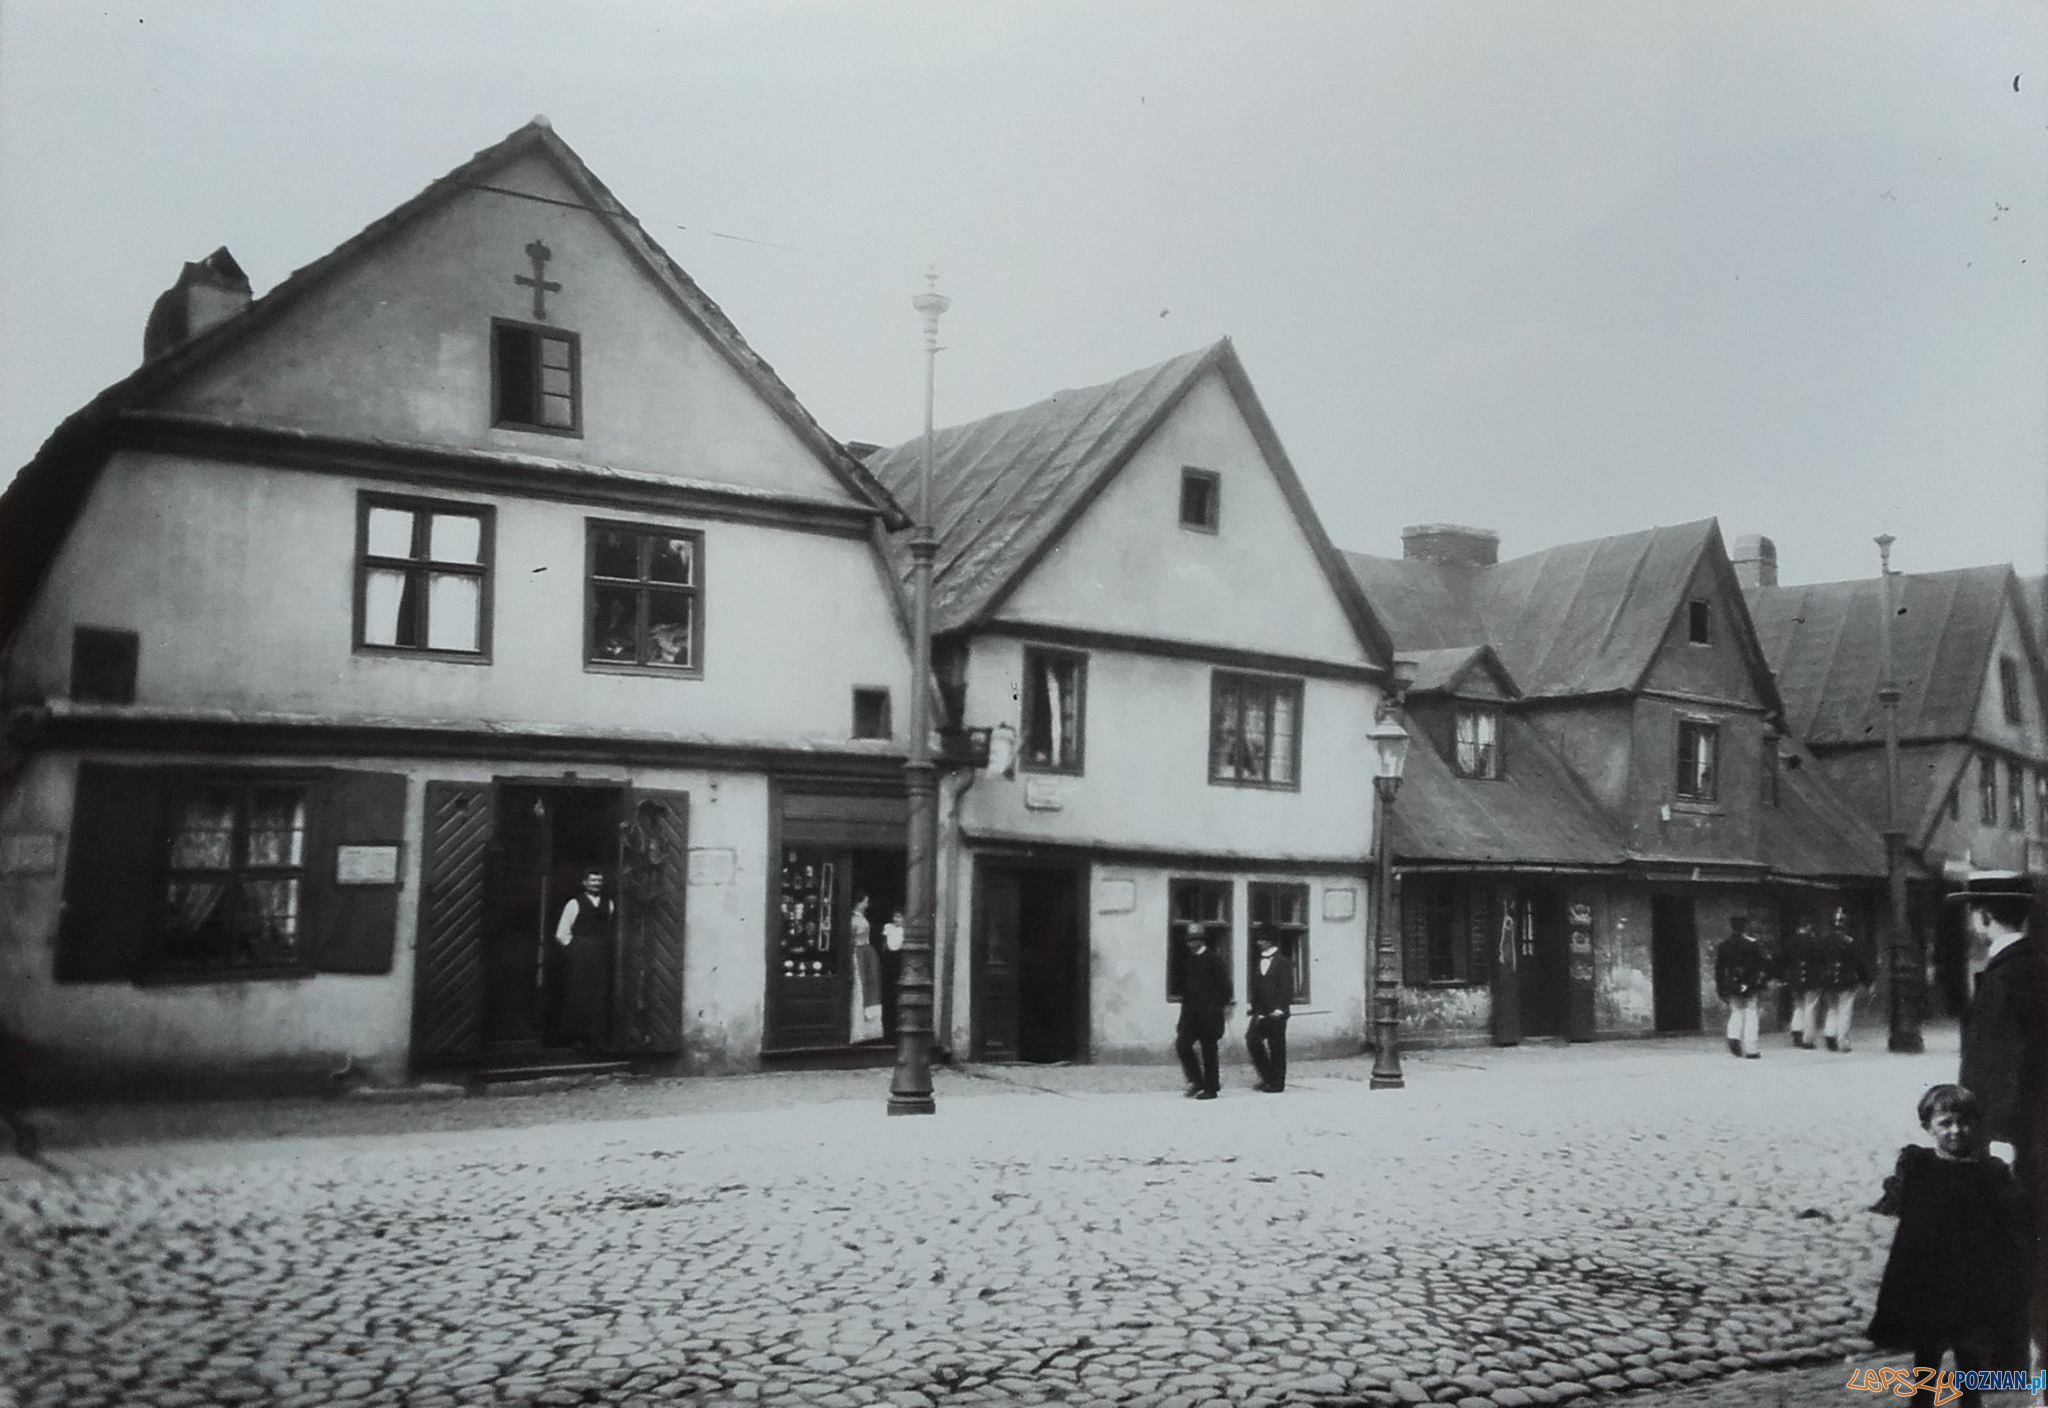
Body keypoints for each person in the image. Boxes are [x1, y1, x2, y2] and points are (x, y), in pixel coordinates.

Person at [1865, 1084, 2028, 1406]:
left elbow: (2009, 1222)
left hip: (1970, 1276)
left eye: (1965, 1122)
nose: (1956, 1130)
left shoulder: (1989, 1173)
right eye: (1945, 1123)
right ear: (1928, 1127)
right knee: (1927, 1347)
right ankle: (1922, 1401)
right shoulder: (1918, 1167)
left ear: (1978, 1125)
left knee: (1969, 1348)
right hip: (1928, 1275)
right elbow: (1898, 1208)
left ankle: (1971, 1401)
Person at [552, 867, 614, 1046]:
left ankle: (595, 1036)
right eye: (593, 881)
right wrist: (574, 949)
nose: (596, 884)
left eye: (599, 881)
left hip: (600, 953)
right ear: (585, 883)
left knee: (599, 993)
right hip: (579, 954)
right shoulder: (574, 904)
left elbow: (608, 927)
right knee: (578, 993)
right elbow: (562, 932)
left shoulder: (609, 904)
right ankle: (576, 1036)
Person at [1174, 924, 1231, 1100]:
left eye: (1195, 940)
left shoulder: (1214, 959)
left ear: (1202, 940)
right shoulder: (1189, 960)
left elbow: (1226, 989)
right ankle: (1196, 1080)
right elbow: (1186, 992)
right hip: (1191, 1015)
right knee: (1182, 1045)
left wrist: (1215, 1008)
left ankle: (1211, 1088)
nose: (1192, 944)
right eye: (1190, 940)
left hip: (1209, 1015)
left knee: (1209, 1051)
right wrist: (1183, 1019)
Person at [1714, 913, 1774, 1060]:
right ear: (1744, 927)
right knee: (1751, 1014)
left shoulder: (1724, 945)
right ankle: (1751, 1048)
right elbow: (1759, 966)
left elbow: (1719, 969)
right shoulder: (1752, 944)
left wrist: (1721, 987)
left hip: (1731, 984)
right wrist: (1753, 983)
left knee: (1736, 1012)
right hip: (1749, 984)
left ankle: (1733, 1037)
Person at [1813, 907, 1873, 1053]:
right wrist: (1868, 981)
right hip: (1847, 981)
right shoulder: (1850, 942)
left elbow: (1817, 961)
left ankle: (1830, 1036)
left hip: (1828, 981)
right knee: (1844, 1011)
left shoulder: (1824, 942)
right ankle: (1843, 1041)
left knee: (1832, 1009)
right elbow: (1859, 963)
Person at [1246, 928, 1294, 1093]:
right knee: (1252, 1040)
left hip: (1276, 1013)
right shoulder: (1259, 960)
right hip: (1261, 1011)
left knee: (1277, 1047)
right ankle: (1267, 1076)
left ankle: (1277, 1083)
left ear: (1270, 941)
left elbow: (1287, 988)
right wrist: (1255, 1009)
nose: (1258, 943)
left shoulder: (1283, 961)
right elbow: (1257, 987)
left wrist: (1281, 1009)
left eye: (1261, 940)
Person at [849, 894, 884, 1044]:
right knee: (862, 987)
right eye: (865, 901)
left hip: (866, 953)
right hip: (860, 953)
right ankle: (859, 1030)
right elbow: (851, 940)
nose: (867, 904)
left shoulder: (861, 918)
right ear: (859, 903)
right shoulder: (854, 920)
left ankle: (870, 1030)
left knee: (870, 988)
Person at [1780, 918, 1820, 1049]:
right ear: (1808, 926)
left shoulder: (1790, 942)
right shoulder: (1813, 942)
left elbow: (1784, 960)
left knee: (1798, 1006)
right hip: (1811, 978)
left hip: (1795, 978)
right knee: (1810, 1007)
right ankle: (1808, 1039)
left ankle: (1797, 1032)